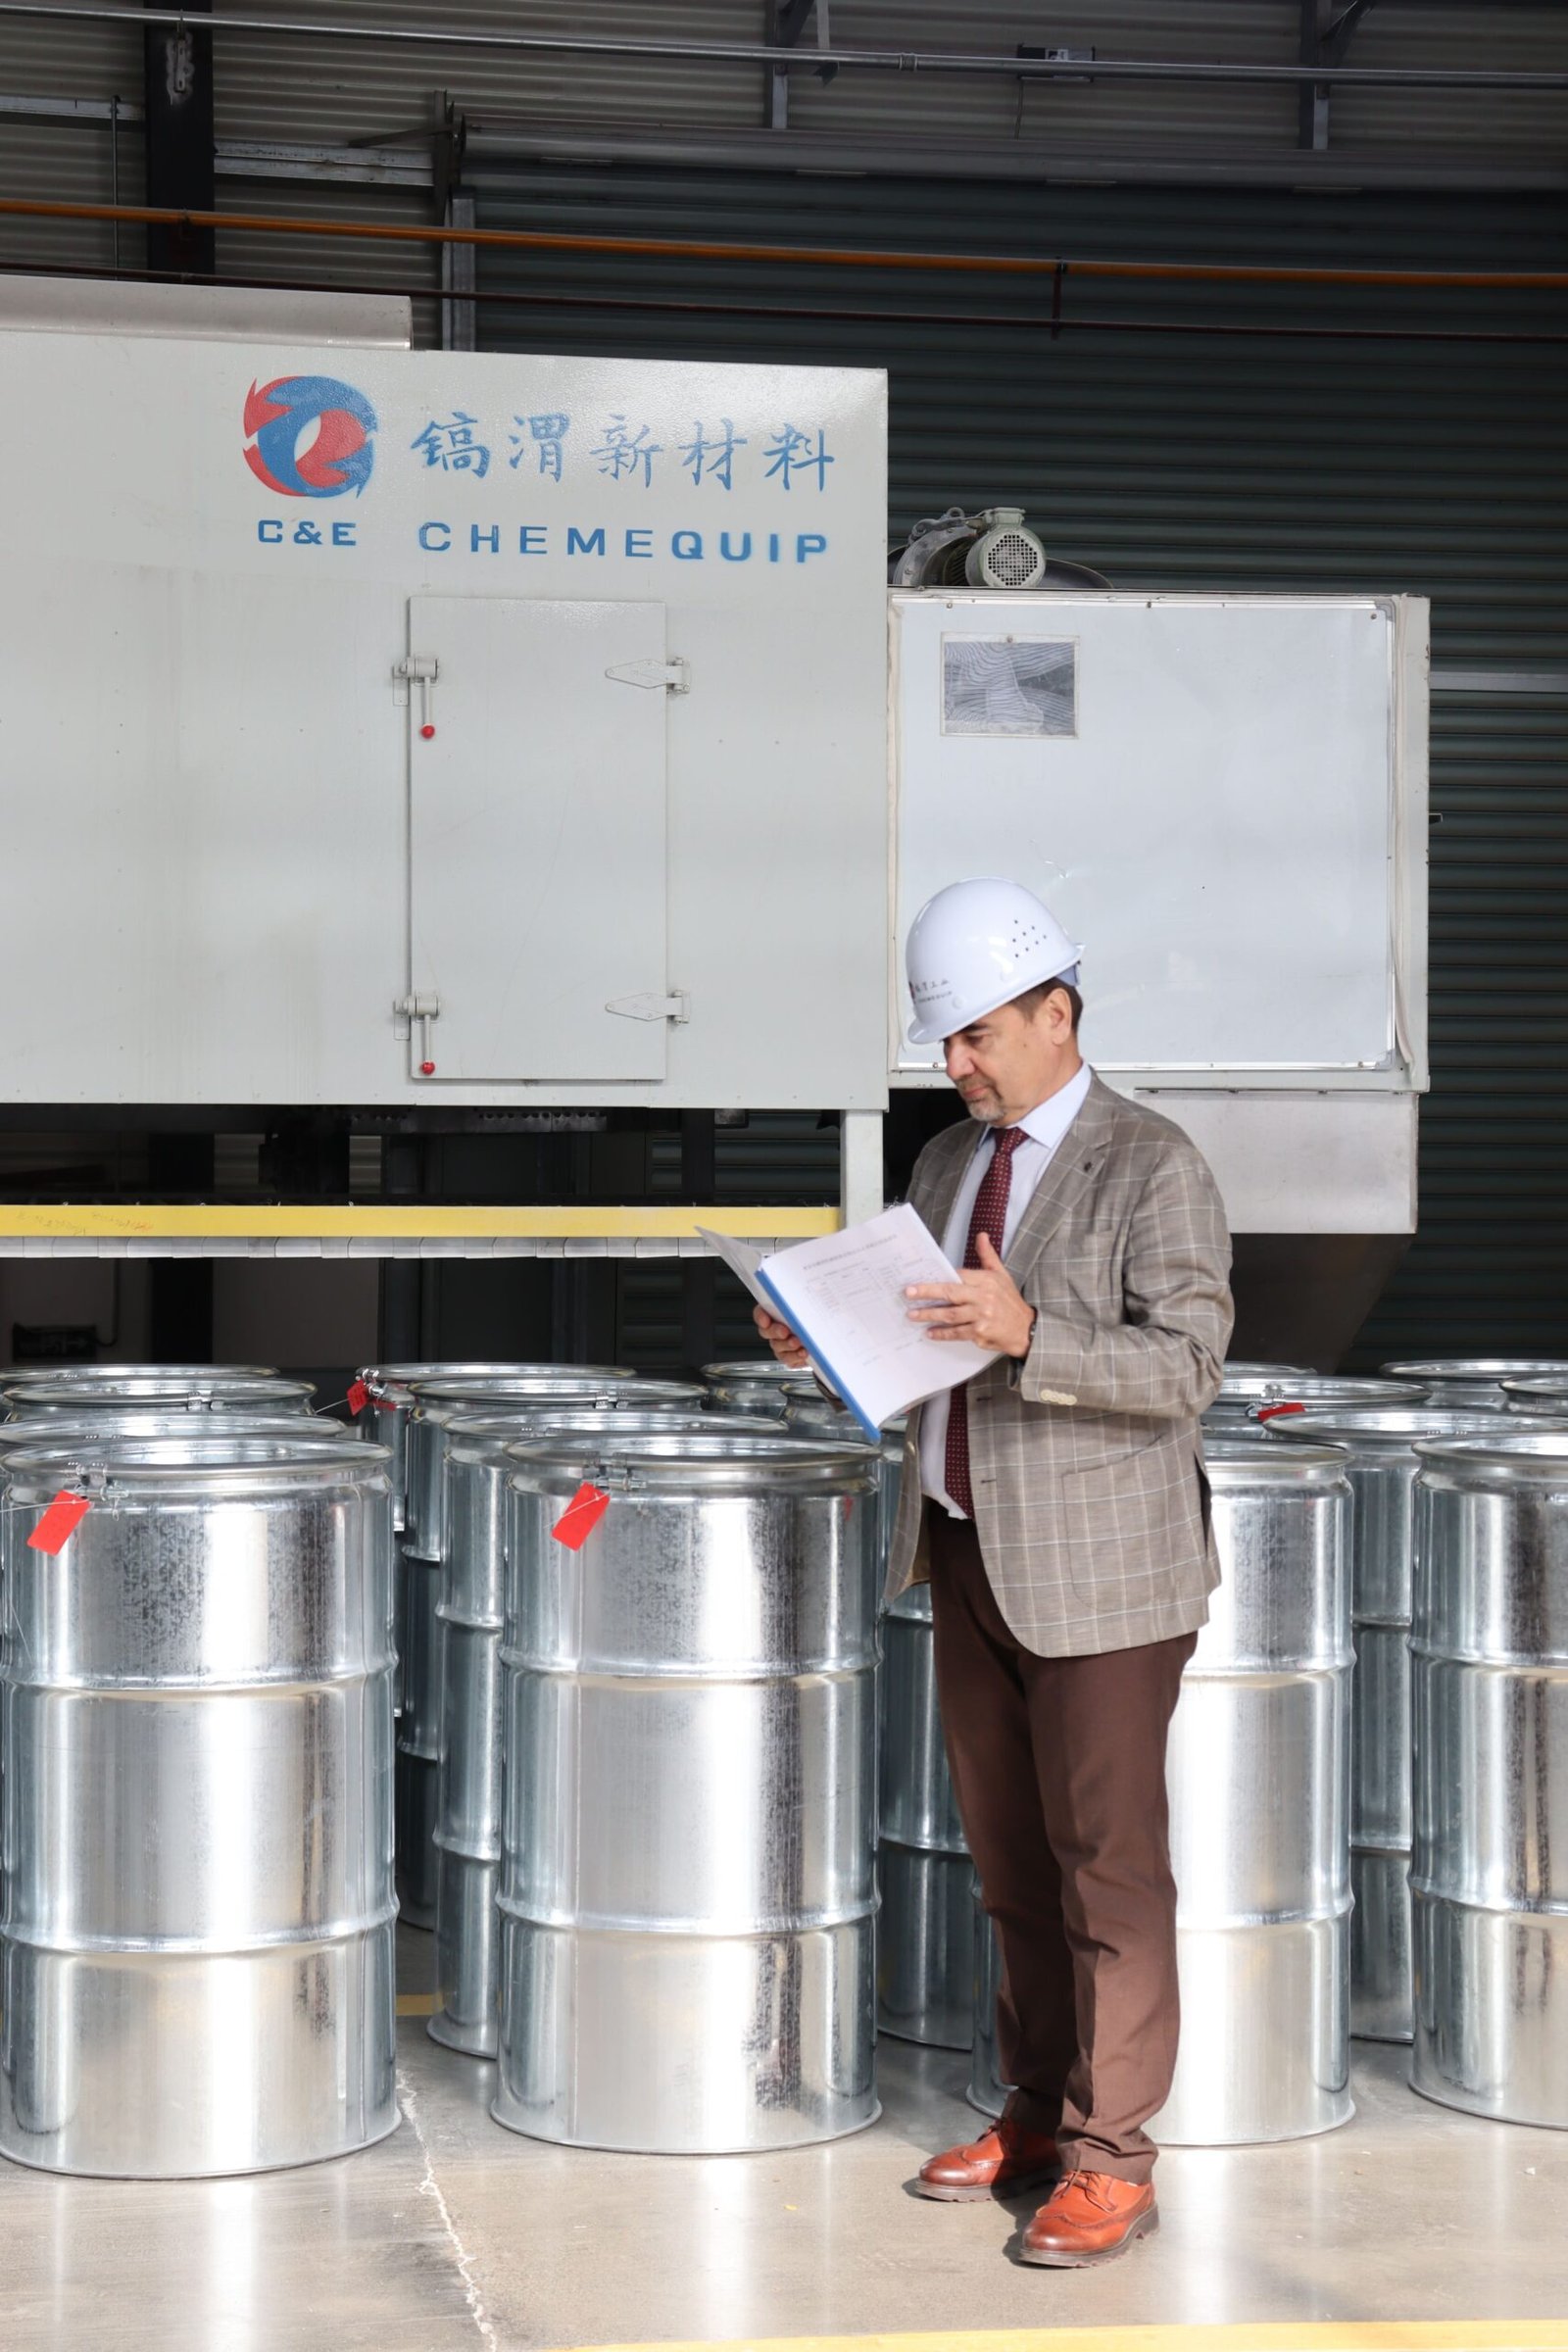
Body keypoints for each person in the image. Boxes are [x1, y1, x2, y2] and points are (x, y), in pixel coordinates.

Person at [756, 877, 1233, 2269]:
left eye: (972, 1036)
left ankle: (1113, 2158)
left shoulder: (1154, 1165)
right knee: (1014, 1870)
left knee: (1110, 1876)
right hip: (966, 1550)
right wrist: (832, 1345)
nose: (953, 1064)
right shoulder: (947, 1170)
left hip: (1104, 1583)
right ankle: (1034, 2115)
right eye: (942, 1043)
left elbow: (1187, 1369)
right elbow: (926, 1356)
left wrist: (1031, 1333)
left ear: (1055, 1013)